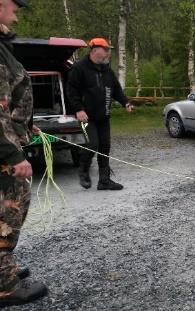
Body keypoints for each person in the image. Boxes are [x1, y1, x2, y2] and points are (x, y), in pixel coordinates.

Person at [0, 0, 50, 306]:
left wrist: (25, 126)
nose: (16, 15)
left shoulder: (3, 45)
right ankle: (4, 285)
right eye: (14, 7)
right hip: (4, 151)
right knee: (9, 213)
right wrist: (12, 154)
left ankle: (5, 267)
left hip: (10, 140)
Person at [67, 37, 133, 190]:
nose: (108, 53)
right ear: (95, 50)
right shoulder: (79, 68)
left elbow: (116, 89)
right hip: (87, 116)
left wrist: (126, 102)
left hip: (104, 115)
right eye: (106, 49)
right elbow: (71, 90)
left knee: (105, 146)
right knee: (92, 144)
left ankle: (104, 181)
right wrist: (78, 109)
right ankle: (83, 171)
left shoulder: (107, 70)